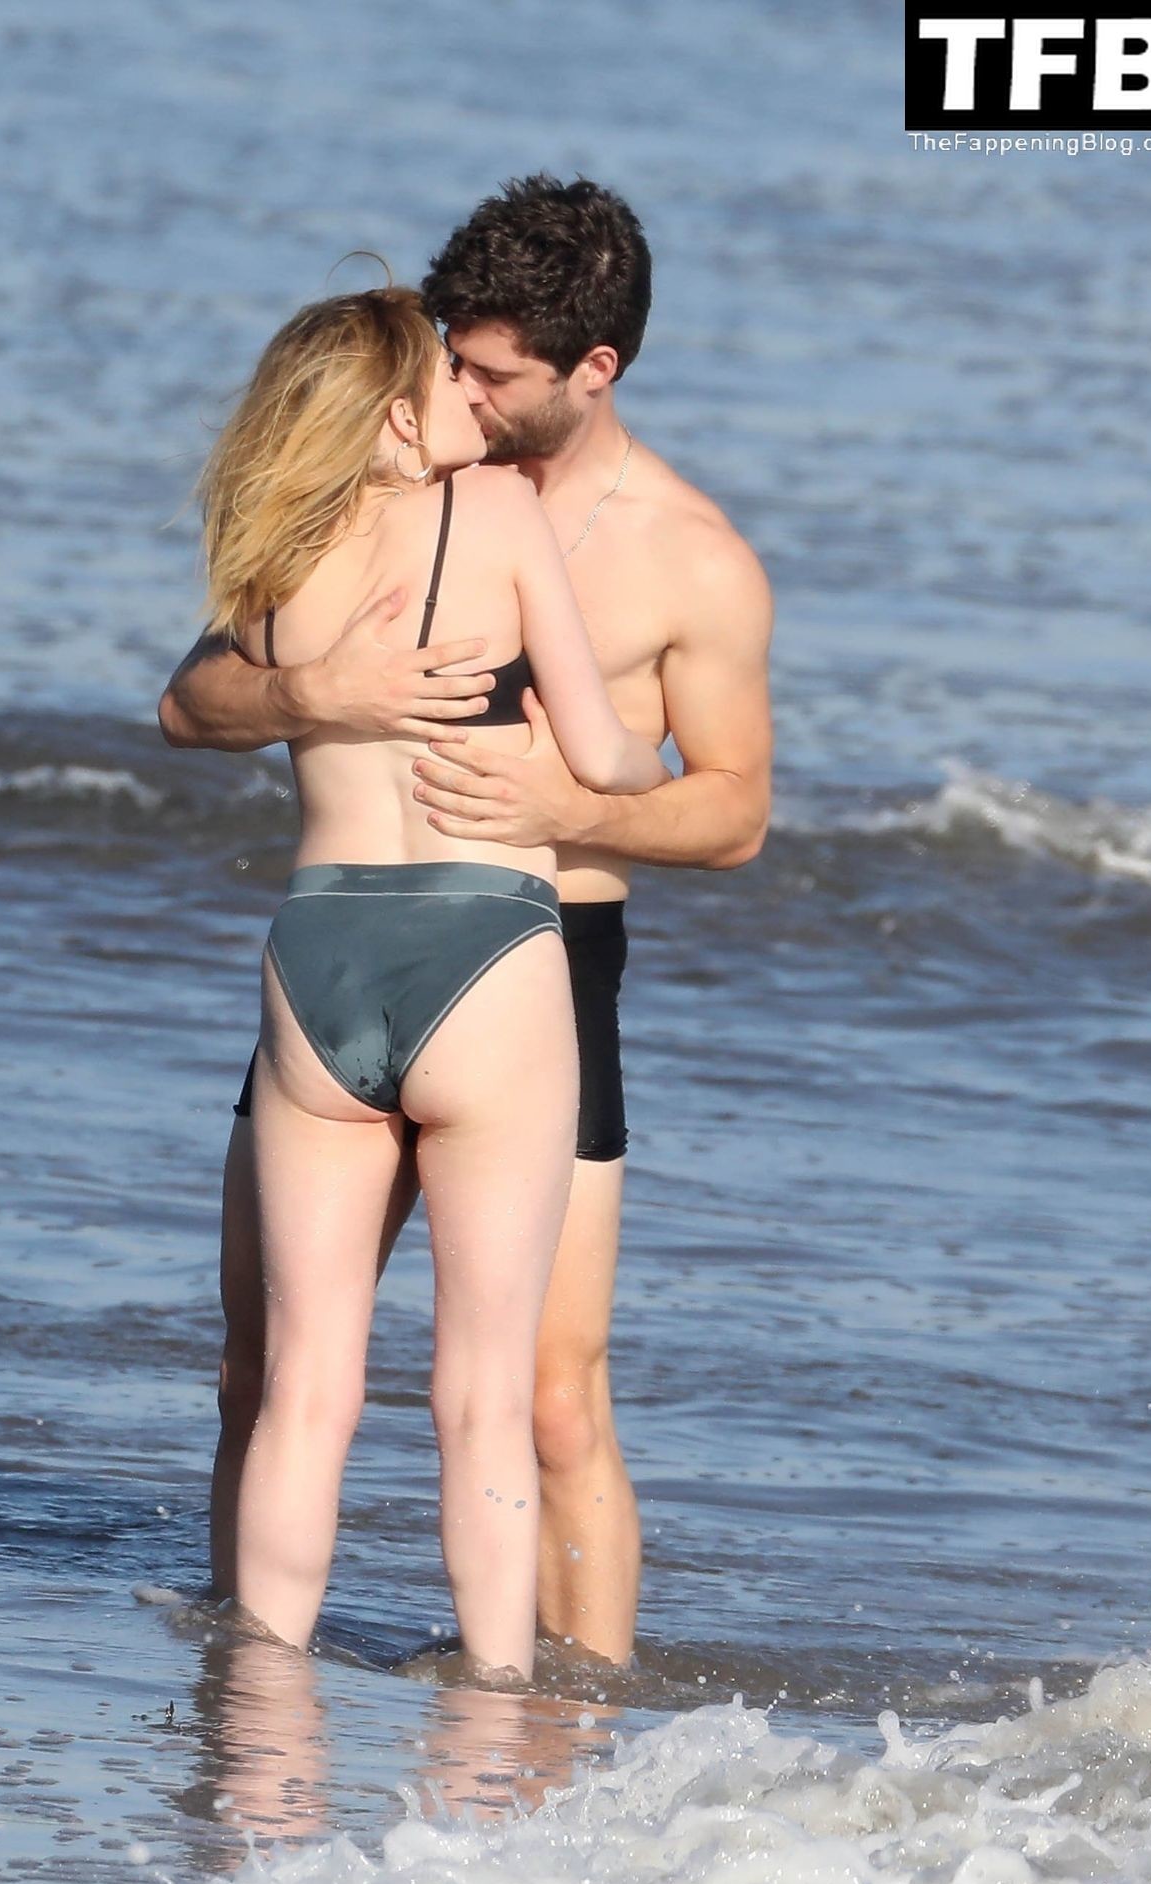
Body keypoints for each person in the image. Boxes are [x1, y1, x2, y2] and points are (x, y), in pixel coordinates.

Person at [161, 176, 774, 1665]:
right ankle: (254, 1691)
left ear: (593, 369)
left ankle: (575, 1721)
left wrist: (567, 808)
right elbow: (194, 699)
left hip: (545, 957)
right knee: (264, 1362)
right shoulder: (390, 486)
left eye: (493, 372)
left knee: (550, 1397)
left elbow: (736, 814)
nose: (464, 389)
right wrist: (312, 691)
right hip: (401, 955)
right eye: (450, 357)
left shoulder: (688, 557)